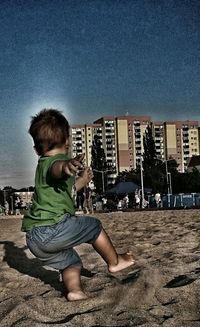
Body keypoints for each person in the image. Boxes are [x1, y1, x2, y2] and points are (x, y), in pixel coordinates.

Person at [21, 109, 135, 302]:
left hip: (35, 240)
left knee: (71, 261)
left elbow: (69, 189)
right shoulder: (55, 162)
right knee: (94, 227)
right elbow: (57, 169)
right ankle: (114, 262)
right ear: (67, 141)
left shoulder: (41, 165)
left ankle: (74, 291)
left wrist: (82, 180)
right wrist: (66, 166)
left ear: (36, 149)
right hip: (53, 229)